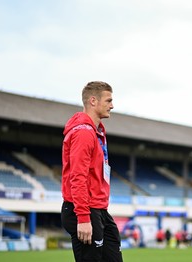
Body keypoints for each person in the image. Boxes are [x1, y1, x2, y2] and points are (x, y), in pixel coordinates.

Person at [61, 81, 123, 262]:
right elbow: (78, 177)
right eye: (109, 100)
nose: (112, 105)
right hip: (84, 210)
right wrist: (83, 218)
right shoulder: (83, 133)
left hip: (99, 208)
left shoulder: (97, 132)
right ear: (93, 101)